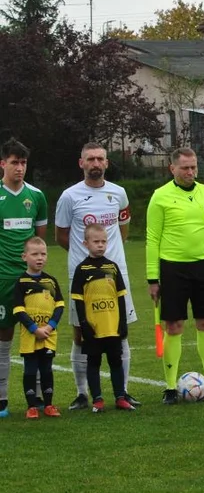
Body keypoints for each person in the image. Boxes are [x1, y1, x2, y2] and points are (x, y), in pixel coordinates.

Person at [54, 142, 139, 410]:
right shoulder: (69, 196)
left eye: (100, 158)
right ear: (81, 163)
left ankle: (122, 392)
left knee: (120, 332)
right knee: (81, 332)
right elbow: (61, 236)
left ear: (106, 162)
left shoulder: (119, 193)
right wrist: (87, 259)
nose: (95, 163)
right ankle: (82, 394)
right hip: (83, 276)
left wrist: (108, 258)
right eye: (90, 159)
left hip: (115, 274)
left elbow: (123, 230)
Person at [146, 147, 204, 405]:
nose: (190, 172)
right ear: (172, 169)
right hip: (173, 268)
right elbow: (152, 239)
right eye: (185, 168)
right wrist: (152, 279)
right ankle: (170, 387)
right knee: (174, 326)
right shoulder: (160, 197)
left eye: (193, 167)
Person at [0, 138, 48, 419]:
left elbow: (39, 241)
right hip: (3, 278)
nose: (20, 167)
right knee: (4, 337)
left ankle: (39, 397)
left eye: (23, 162)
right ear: (3, 163)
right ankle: (2, 399)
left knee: (38, 334)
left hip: (30, 279)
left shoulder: (37, 196)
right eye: (15, 162)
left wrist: (35, 270)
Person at [70, 224, 133, 412]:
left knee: (116, 361)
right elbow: (78, 302)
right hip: (94, 327)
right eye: (96, 241)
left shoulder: (112, 267)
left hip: (112, 326)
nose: (100, 245)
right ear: (86, 243)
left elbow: (121, 297)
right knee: (94, 362)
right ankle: (97, 399)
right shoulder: (82, 269)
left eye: (103, 241)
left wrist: (122, 322)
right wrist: (83, 324)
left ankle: (120, 397)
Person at [12, 237, 64, 418]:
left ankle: (49, 405)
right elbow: (18, 309)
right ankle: (31, 406)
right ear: (24, 257)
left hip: (49, 335)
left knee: (47, 369)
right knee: (30, 370)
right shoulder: (21, 282)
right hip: (30, 335)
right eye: (35, 254)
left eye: (43, 254)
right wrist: (35, 329)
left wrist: (50, 327)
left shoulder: (51, 281)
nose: (39, 258)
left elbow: (59, 305)